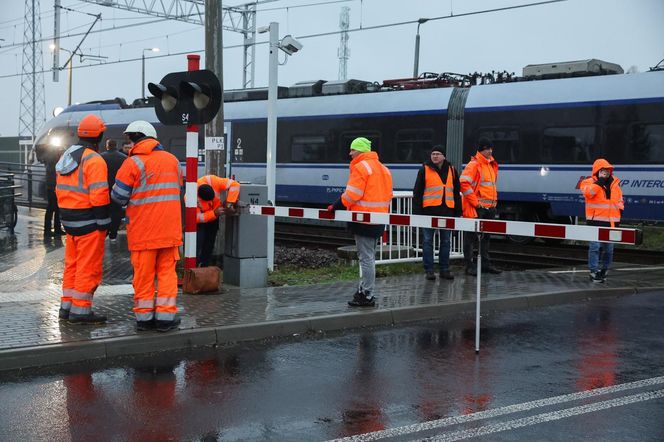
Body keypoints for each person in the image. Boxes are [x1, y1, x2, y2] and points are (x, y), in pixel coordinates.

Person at [111, 120, 183, 332]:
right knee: (167, 275)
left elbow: (119, 196)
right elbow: (176, 187)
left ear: (135, 139)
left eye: (130, 139)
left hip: (144, 232)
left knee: (143, 277)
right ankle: (165, 319)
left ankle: (144, 319)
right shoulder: (172, 160)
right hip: (169, 231)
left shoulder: (132, 163)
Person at [55, 114, 111, 324]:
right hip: (88, 222)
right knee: (88, 267)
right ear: (100, 135)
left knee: (72, 265)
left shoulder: (67, 156)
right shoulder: (94, 159)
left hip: (69, 221)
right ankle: (80, 312)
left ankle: (66, 307)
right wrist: (104, 221)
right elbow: (99, 194)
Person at [329, 137, 393, 307]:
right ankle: (364, 290)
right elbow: (388, 195)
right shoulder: (384, 169)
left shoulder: (360, 167)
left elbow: (353, 194)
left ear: (361, 151)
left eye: (353, 150)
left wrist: (336, 205)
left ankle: (367, 294)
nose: (350, 154)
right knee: (369, 257)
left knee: (366, 258)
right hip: (378, 219)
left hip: (362, 218)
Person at [412, 145, 462, 280]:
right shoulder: (424, 170)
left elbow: (456, 193)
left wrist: (458, 213)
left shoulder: (452, 170)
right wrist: (417, 213)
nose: (434, 156)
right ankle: (429, 270)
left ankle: (444, 269)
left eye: (438, 154)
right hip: (428, 212)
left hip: (447, 211)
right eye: (433, 153)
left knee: (446, 241)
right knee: (428, 241)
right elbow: (417, 192)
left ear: (444, 156)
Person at [460, 137, 502, 276]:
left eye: (490, 148)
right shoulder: (474, 165)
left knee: (486, 237)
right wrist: (475, 203)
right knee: (471, 237)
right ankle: (469, 265)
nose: (489, 151)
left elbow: (490, 186)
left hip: (489, 207)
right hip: (477, 208)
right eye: (486, 149)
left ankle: (484, 264)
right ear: (480, 150)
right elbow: (464, 183)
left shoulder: (491, 165)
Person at [580, 158, 624, 283]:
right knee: (594, 247)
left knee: (609, 249)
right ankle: (593, 272)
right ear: (597, 171)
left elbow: (620, 199)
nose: (606, 172)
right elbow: (588, 193)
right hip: (595, 221)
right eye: (603, 170)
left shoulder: (615, 183)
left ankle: (604, 271)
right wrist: (600, 181)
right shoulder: (588, 182)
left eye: (608, 170)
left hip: (611, 222)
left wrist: (620, 212)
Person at [196, 174, 240, 267]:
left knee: (209, 245)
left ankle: (204, 268)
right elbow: (197, 218)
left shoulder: (213, 180)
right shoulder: (190, 196)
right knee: (197, 246)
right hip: (200, 224)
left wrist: (229, 203)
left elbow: (235, 185)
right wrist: (214, 213)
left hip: (213, 220)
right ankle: (195, 270)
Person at [100, 139, 127, 242]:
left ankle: (106, 231)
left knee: (105, 211)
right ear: (116, 145)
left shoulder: (101, 157)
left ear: (107, 146)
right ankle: (113, 234)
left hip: (104, 188)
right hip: (118, 187)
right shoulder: (124, 158)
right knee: (116, 211)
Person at [37, 144, 65, 236]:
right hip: (53, 186)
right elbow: (55, 172)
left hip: (53, 185)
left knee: (55, 208)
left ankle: (54, 229)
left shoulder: (50, 158)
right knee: (52, 207)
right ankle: (49, 230)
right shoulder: (53, 160)